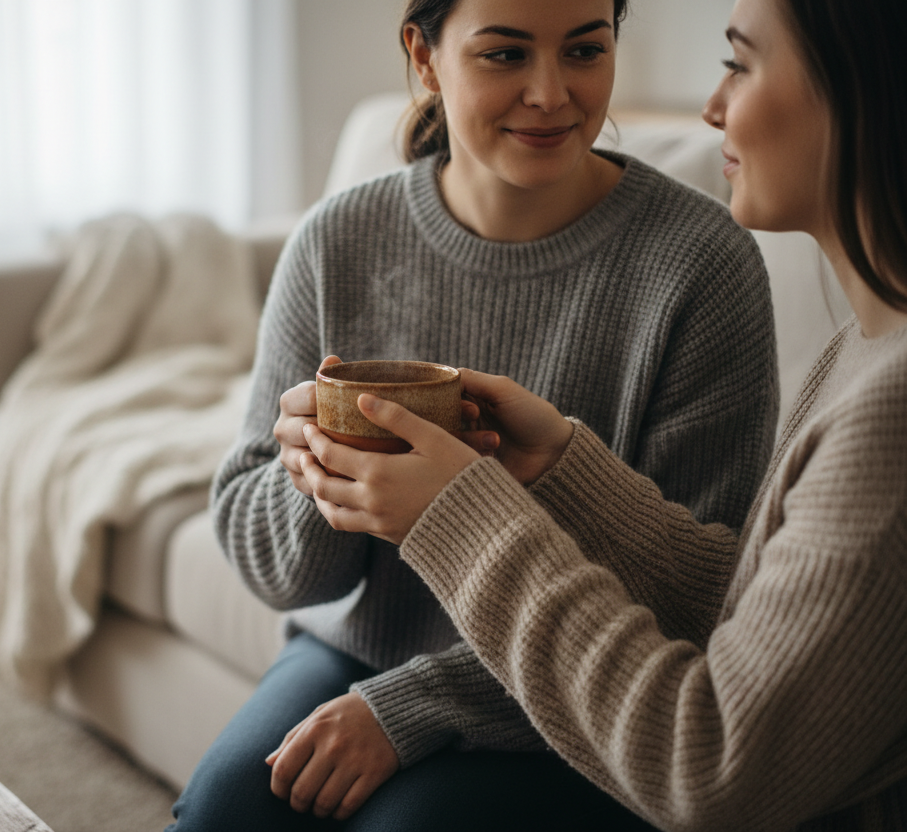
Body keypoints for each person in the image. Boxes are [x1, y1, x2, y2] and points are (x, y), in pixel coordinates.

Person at [293, 0, 907, 828]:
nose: (711, 107)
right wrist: (560, 469)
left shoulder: (885, 413)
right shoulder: (862, 354)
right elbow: (751, 615)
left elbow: (714, 771)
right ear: (425, 57)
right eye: (505, 55)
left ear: (863, 89)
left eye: (739, 63)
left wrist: (461, 515)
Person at [169, 0, 781, 828]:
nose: (551, 94)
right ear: (425, 57)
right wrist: (322, 476)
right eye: (504, 55)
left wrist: (418, 707)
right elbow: (279, 570)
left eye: (584, 50)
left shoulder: (703, 266)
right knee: (220, 815)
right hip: (357, 649)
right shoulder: (336, 242)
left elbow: (704, 606)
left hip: (576, 692)